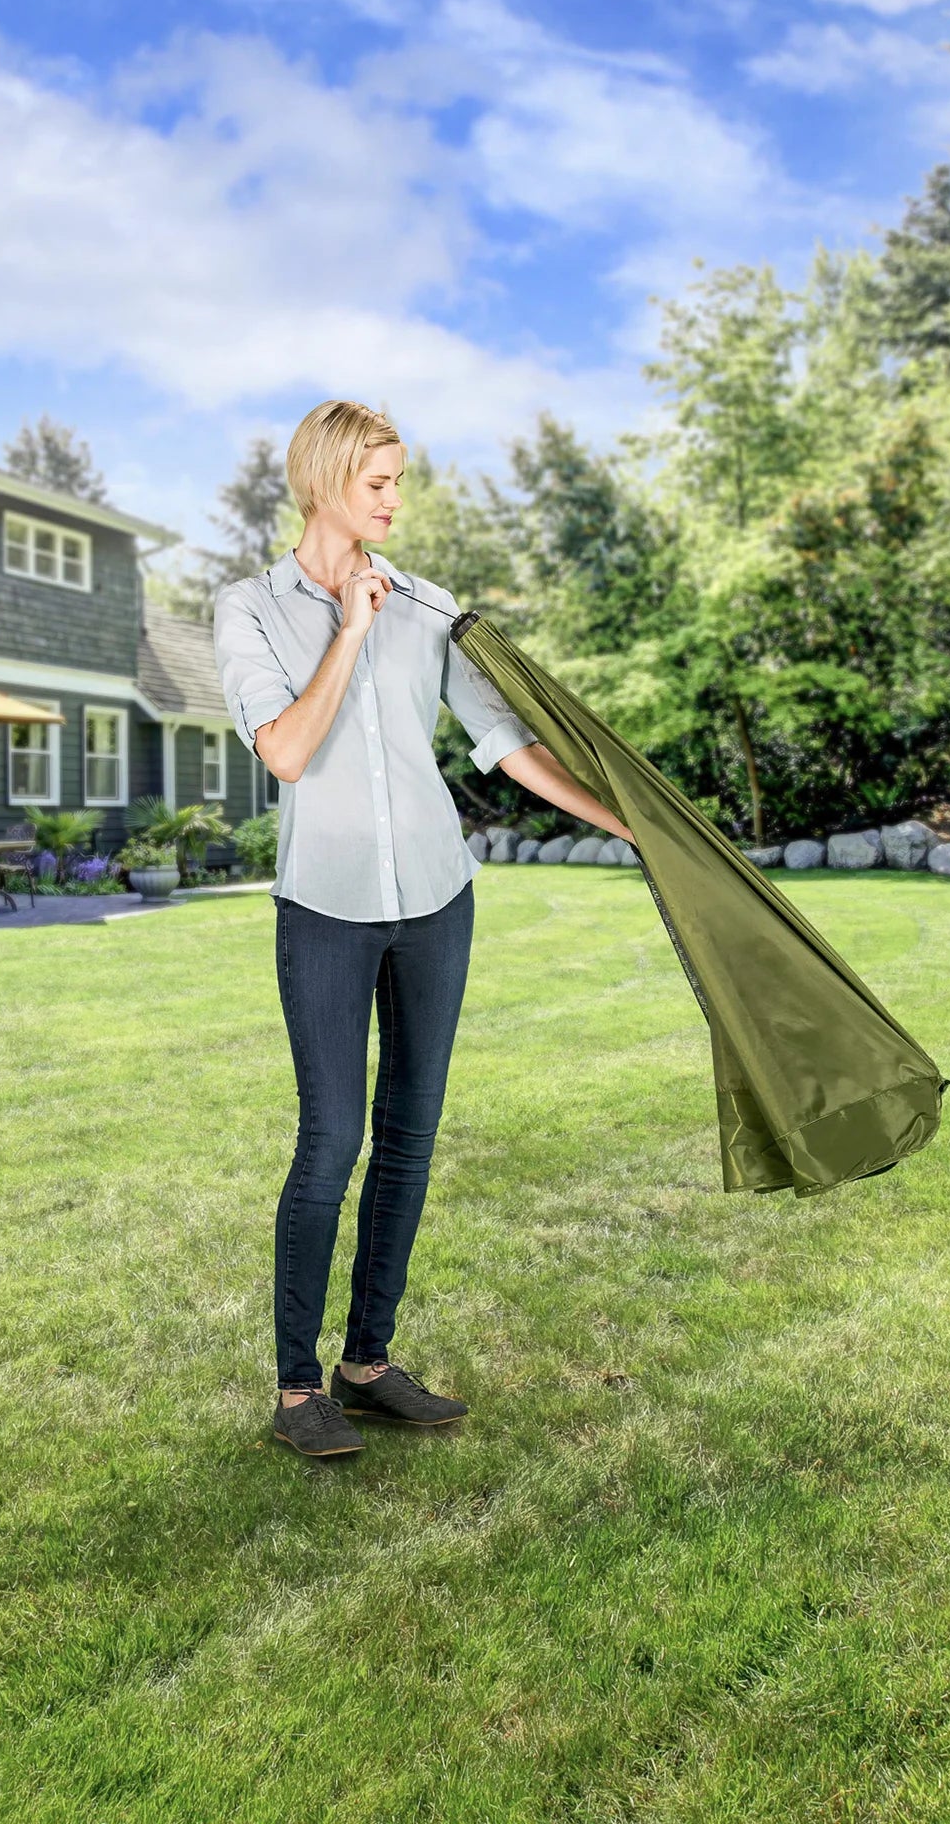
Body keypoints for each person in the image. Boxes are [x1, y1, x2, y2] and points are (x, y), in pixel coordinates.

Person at [214, 400, 634, 1458]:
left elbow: (503, 742)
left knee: (410, 1134)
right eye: (379, 483)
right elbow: (286, 752)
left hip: (437, 897)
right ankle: (297, 1384)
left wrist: (619, 817)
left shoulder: (428, 605)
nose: (396, 501)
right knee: (330, 1142)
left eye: (399, 481)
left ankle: (367, 1362)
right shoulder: (248, 608)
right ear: (324, 481)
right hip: (325, 904)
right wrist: (351, 624)